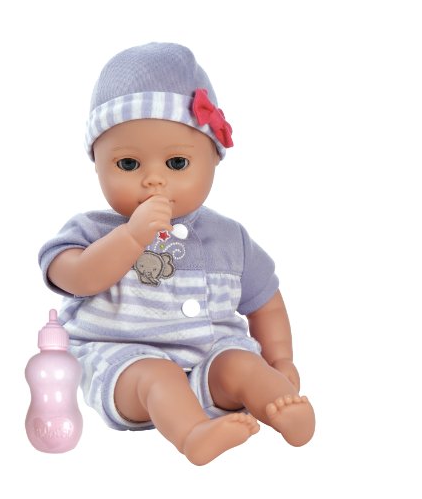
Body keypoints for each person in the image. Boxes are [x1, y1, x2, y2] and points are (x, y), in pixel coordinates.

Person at [38, 42, 315, 465]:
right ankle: (193, 434)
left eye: (177, 164)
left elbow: (267, 303)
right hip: (123, 362)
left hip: (210, 359)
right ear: (97, 164)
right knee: (157, 375)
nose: (154, 180)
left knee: (241, 363)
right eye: (128, 165)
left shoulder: (229, 239)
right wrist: (131, 237)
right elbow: (76, 277)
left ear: (213, 160)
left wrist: (281, 360)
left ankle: (282, 406)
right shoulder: (90, 231)